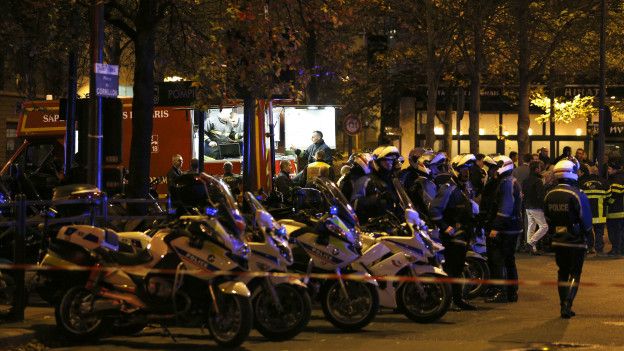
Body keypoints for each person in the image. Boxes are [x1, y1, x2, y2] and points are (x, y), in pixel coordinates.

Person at [543, 157, 592, 319]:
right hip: (576, 240)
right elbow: (585, 220)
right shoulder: (577, 194)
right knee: (575, 273)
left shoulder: (549, 194)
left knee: (562, 272)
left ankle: (562, 303)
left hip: (558, 239)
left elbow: (548, 218)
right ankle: (567, 305)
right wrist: (589, 238)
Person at [429, 153, 478, 311]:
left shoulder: (465, 187)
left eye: (469, 169)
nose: (467, 172)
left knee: (457, 269)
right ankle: (451, 300)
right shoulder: (448, 188)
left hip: (464, 235)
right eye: (464, 169)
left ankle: (457, 299)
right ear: (456, 169)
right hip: (453, 237)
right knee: (452, 270)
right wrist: (446, 227)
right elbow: (434, 210)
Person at [486, 155, 523, 303]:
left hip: (507, 228)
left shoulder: (507, 183)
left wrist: (496, 226)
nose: (493, 170)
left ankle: (503, 292)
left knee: (500, 260)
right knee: (509, 260)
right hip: (513, 226)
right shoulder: (510, 181)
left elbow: (505, 207)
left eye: (495, 167)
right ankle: (511, 292)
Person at [356, 146, 402, 223]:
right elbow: (355, 205)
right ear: (377, 162)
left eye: (391, 160)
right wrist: (377, 198)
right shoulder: (365, 180)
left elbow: (401, 202)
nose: (389, 163)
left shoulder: (393, 180)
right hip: (373, 227)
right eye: (386, 160)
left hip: (393, 224)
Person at [400, 150, 446, 218]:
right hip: (418, 217)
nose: (437, 170)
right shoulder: (414, 177)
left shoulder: (426, 178)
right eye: (435, 167)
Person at [579, 162, 609, 255]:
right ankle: (599, 249)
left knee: (588, 230)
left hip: (587, 213)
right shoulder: (604, 182)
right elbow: (609, 196)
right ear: (597, 172)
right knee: (599, 232)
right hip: (600, 213)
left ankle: (589, 247)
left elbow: (578, 197)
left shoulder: (582, 183)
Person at [523, 160, 548, 255]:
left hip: (527, 206)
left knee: (531, 226)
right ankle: (530, 243)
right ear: (536, 169)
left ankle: (532, 248)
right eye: (539, 167)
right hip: (536, 206)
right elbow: (541, 195)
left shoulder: (526, 180)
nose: (541, 169)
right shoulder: (538, 181)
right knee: (544, 227)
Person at [606, 160, 624, 256]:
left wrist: (608, 202)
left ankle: (616, 250)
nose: (608, 170)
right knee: (620, 232)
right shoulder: (620, 177)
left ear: (614, 169)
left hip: (616, 211)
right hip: (620, 210)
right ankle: (620, 249)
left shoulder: (615, 179)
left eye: (609, 168)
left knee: (615, 232)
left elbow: (615, 193)